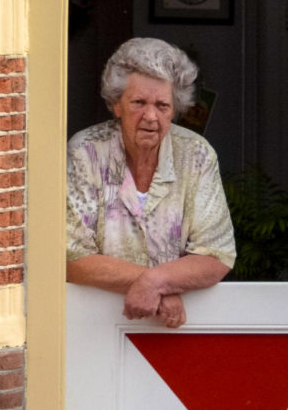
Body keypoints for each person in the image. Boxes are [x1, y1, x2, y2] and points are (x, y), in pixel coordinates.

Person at [66, 37, 235, 328]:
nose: (151, 117)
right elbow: (71, 257)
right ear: (116, 104)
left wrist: (157, 282)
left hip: (176, 329)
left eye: (162, 105)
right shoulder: (86, 152)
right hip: (96, 323)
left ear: (175, 109)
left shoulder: (196, 155)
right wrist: (154, 286)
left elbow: (216, 255)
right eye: (139, 103)